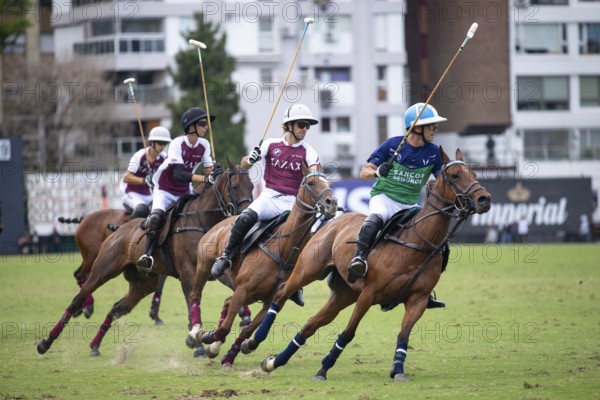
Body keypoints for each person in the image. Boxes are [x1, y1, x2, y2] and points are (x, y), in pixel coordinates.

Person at [210, 103, 321, 307]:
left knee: (303, 235)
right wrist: (250, 159)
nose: (305, 129)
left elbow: (315, 169)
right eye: (302, 125)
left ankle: (295, 285)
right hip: (269, 197)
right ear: (289, 126)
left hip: (292, 202)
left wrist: (315, 174)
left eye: (307, 126)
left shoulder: (308, 151)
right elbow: (243, 165)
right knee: (245, 218)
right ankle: (226, 256)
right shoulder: (271, 144)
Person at [347, 102, 447, 309]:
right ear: (416, 127)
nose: (435, 130)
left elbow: (441, 180)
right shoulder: (393, 145)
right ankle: (359, 259)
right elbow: (364, 172)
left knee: (435, 241)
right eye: (431, 126)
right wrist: (376, 172)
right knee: (376, 218)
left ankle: (425, 288)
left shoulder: (434, 152)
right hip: (385, 197)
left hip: (410, 205)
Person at [136, 107, 219, 272]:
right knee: (156, 217)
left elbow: (209, 171)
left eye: (206, 124)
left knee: (199, 212)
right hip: (165, 189)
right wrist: (204, 178)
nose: (206, 127)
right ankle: (147, 255)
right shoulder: (177, 143)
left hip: (184, 190)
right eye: (203, 123)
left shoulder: (204, 144)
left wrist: (216, 171)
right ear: (191, 126)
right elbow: (179, 173)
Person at [121, 126, 171, 218]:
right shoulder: (139, 156)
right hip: (132, 193)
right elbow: (126, 177)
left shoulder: (164, 158)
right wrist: (144, 180)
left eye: (165, 143)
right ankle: (127, 229)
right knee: (141, 210)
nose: (163, 146)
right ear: (152, 142)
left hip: (150, 195)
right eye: (160, 143)